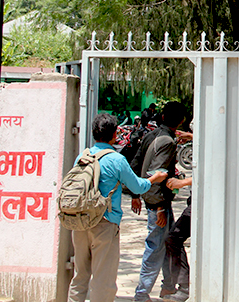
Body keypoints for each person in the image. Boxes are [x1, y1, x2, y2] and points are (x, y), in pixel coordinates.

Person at [67, 113, 167, 302]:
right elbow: (137, 187)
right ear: (114, 134)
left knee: (80, 276)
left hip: (79, 222)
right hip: (104, 223)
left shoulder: (83, 156)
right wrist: (155, 178)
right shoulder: (116, 159)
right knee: (103, 279)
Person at [129, 101, 188, 302]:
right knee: (155, 247)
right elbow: (158, 174)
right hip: (158, 204)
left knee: (168, 243)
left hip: (154, 200)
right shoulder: (167, 142)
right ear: (181, 121)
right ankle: (142, 294)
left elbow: (136, 164)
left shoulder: (151, 135)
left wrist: (136, 194)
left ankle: (168, 286)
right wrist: (160, 207)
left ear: (162, 117)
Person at [163, 175, 193, 302]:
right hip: (197, 200)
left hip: (204, 202)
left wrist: (183, 182)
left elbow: (208, 172)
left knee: (173, 239)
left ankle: (185, 287)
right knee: (173, 239)